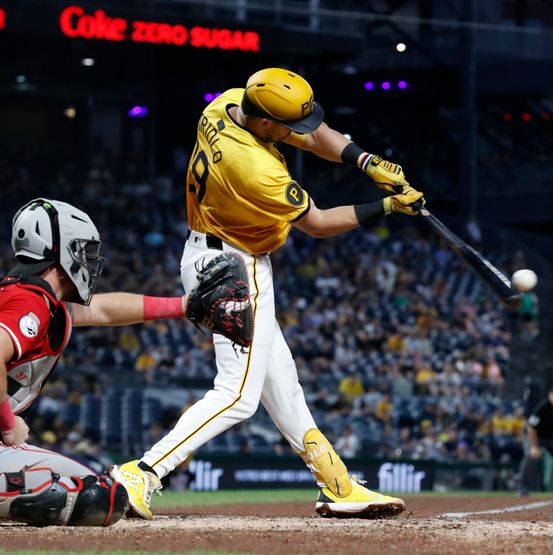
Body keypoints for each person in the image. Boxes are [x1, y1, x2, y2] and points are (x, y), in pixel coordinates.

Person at [113, 67, 424, 519]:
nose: (297, 132)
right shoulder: (254, 169)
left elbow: (316, 135)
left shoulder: (228, 102)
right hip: (234, 268)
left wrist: (364, 160)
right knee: (238, 394)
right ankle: (142, 472)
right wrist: (388, 206)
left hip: (213, 253)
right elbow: (317, 224)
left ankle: (336, 484)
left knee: (283, 381)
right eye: (286, 126)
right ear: (264, 123)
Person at [0, 198, 191, 526]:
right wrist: (8, 424)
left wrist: (184, 305)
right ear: (57, 251)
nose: (87, 261)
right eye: (81, 250)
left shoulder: (36, 298)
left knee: (104, 494)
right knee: (92, 499)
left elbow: (105, 309)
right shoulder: (30, 299)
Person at [517, 383, 553, 494]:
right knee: (531, 457)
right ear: (550, 395)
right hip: (536, 437)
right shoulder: (542, 408)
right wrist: (534, 447)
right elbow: (531, 428)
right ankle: (523, 488)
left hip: (552, 437)